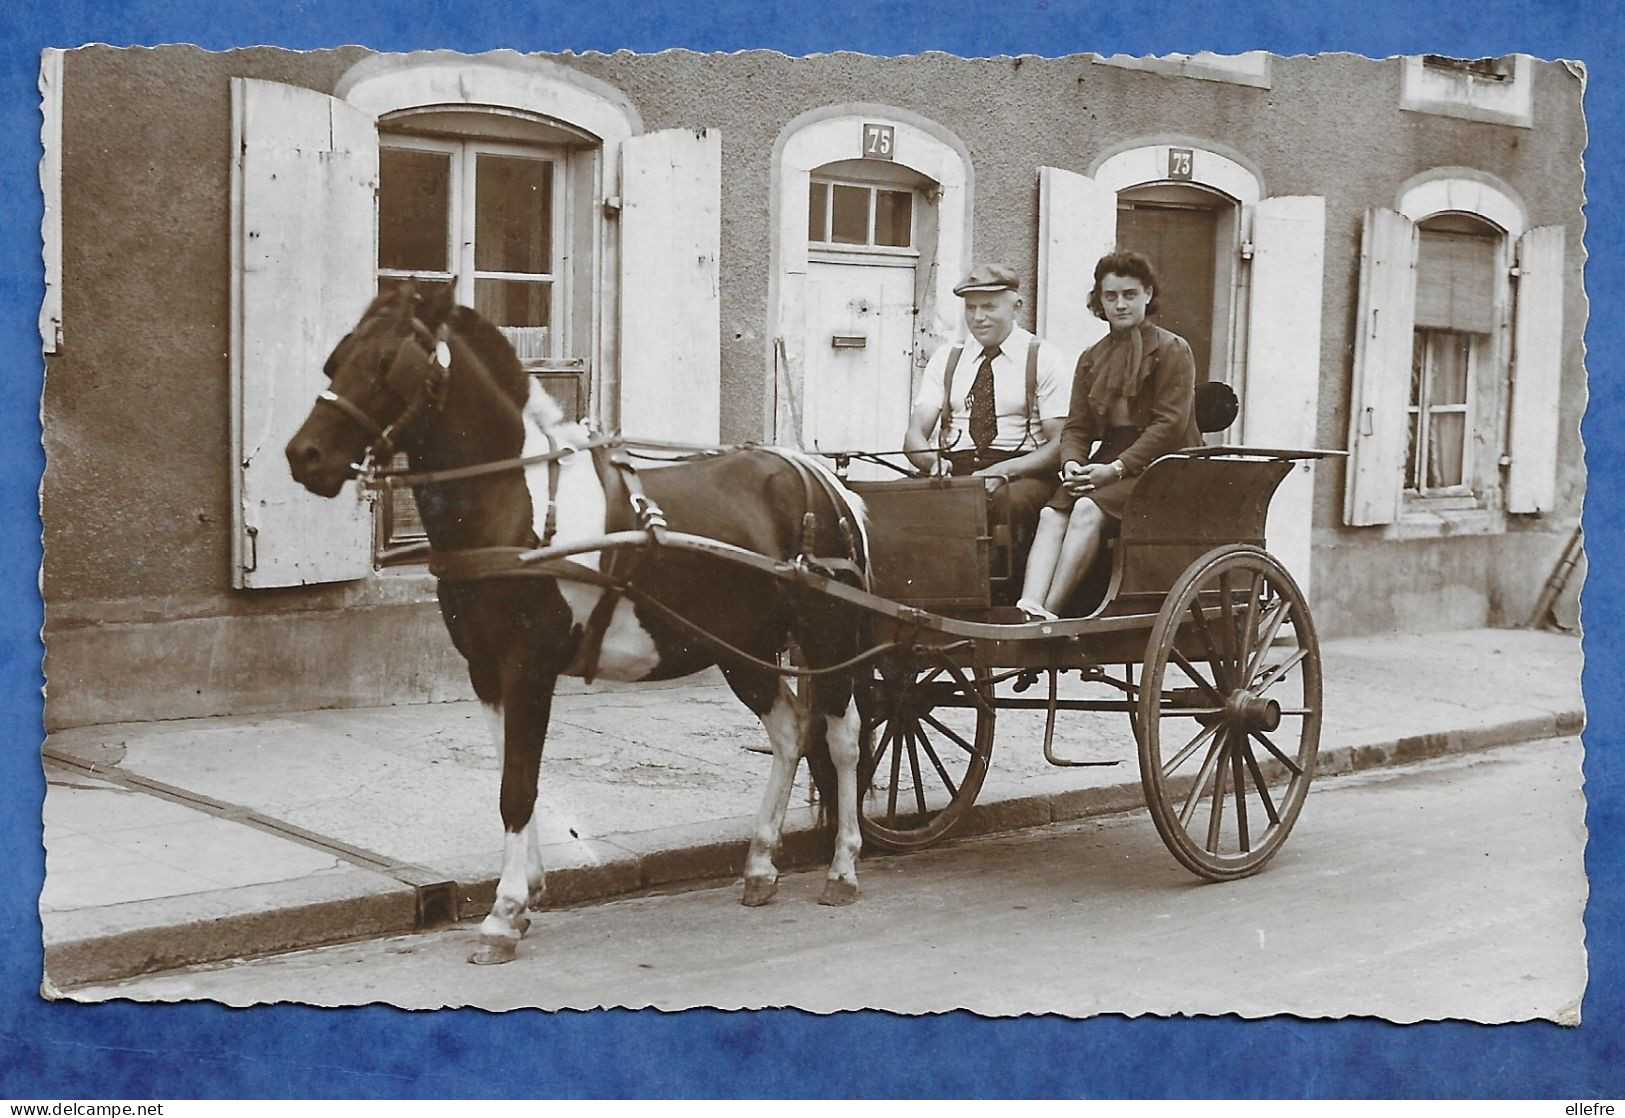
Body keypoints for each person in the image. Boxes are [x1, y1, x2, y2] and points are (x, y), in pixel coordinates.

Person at [1016, 250, 1200, 621]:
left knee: (1085, 507)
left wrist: (1115, 469)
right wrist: (1071, 462)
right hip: (1111, 461)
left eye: (1129, 295)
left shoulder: (1172, 350)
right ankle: (1029, 609)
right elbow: (1078, 427)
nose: (1120, 304)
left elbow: (1169, 426)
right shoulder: (1092, 357)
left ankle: (1049, 616)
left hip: (1167, 465)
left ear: (1148, 294)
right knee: (1053, 512)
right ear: (1099, 300)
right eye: (1110, 296)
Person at [903, 264, 1076, 589]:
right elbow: (914, 435)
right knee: (899, 499)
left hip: (1023, 472)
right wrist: (931, 461)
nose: (978, 318)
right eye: (971, 308)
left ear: (1016, 307)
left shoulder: (1043, 357)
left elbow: (1060, 444)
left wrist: (1005, 472)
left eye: (989, 307)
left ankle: (1003, 604)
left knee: (1008, 506)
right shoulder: (947, 358)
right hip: (958, 467)